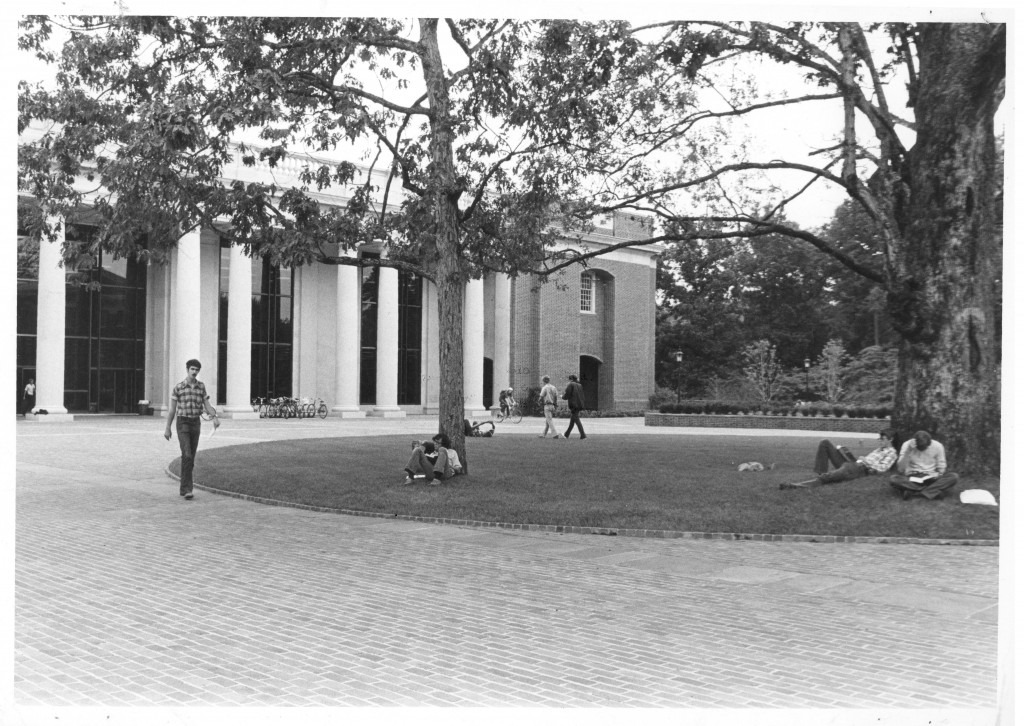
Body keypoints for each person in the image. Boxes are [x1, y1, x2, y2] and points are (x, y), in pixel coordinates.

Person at [163, 359, 219, 500]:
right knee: (187, 455)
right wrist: (167, 428)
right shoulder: (179, 387)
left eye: (197, 370)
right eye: (192, 369)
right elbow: (172, 410)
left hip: (195, 423)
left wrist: (215, 418)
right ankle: (187, 489)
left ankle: (184, 488)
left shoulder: (201, 387)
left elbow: (207, 405)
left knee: (190, 457)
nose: (195, 372)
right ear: (187, 369)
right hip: (182, 424)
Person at [780, 429, 898, 489]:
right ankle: (821, 472)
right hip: (852, 464)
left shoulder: (892, 453)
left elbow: (882, 469)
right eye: (880, 439)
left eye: (883, 439)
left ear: (891, 439)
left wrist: (865, 461)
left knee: (828, 478)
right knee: (825, 443)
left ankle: (794, 486)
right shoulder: (879, 449)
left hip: (859, 469)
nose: (880, 441)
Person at [889, 430, 959, 500]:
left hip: (931, 477)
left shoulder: (938, 446)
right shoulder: (906, 445)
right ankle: (932, 491)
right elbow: (900, 469)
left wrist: (938, 474)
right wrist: (908, 451)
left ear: (930, 443)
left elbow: (941, 467)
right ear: (915, 444)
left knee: (954, 477)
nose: (923, 449)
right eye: (921, 448)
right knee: (893, 479)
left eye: (925, 447)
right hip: (912, 476)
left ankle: (914, 491)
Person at [561, 374, 586, 439]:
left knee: (577, 420)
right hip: (579, 404)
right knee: (572, 421)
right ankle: (566, 434)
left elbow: (567, 394)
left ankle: (583, 435)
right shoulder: (580, 385)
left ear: (571, 379)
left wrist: (562, 397)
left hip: (574, 405)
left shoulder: (571, 384)